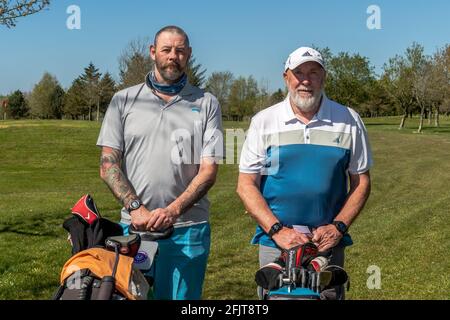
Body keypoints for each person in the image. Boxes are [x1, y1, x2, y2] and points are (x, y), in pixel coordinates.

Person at [97, 25, 223, 300]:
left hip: (188, 229)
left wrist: (173, 210)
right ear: (153, 52)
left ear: (188, 54)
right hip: (134, 228)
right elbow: (108, 164)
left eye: (180, 50)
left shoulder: (207, 103)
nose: (173, 56)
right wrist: (136, 209)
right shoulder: (123, 100)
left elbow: (209, 171)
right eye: (166, 50)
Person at [237, 47, 372, 300]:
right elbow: (246, 185)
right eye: (298, 72)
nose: (306, 80)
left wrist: (338, 227)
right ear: (286, 77)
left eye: (314, 72)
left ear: (324, 78)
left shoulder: (349, 119)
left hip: (328, 244)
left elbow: (361, 181)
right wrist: (278, 230)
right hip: (276, 242)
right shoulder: (264, 121)